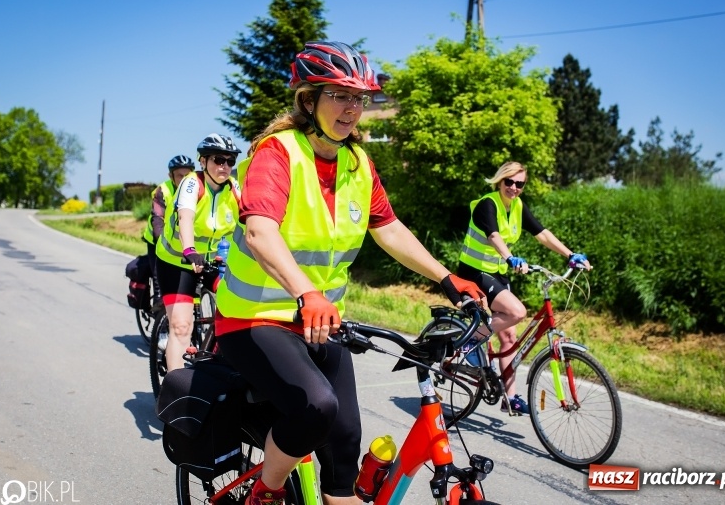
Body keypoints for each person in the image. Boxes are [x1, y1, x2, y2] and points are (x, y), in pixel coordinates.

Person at [214, 41, 486, 505]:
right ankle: (265, 490)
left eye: (359, 98)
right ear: (309, 100)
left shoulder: (358, 164)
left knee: (345, 441)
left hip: (320, 322)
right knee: (315, 407)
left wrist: (448, 279)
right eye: (340, 95)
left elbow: (389, 227)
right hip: (253, 318)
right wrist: (306, 292)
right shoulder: (277, 152)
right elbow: (260, 232)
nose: (352, 108)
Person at [457, 161, 591, 415]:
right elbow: (494, 236)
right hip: (474, 272)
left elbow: (542, 233)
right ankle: (470, 341)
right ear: (500, 181)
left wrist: (570, 255)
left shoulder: (517, 206)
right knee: (517, 312)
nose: (514, 188)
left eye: (520, 184)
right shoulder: (488, 203)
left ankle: (510, 398)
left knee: (509, 336)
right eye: (509, 182)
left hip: (496, 273)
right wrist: (510, 258)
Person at [155, 135, 240, 372]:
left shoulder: (233, 188)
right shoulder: (192, 183)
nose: (224, 166)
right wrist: (190, 250)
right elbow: (186, 218)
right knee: (182, 326)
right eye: (218, 159)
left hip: (212, 261)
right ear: (203, 161)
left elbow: (248, 221)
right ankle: (175, 392)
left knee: (235, 309)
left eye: (230, 161)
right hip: (176, 261)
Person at [142, 154, 195, 310]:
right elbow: (158, 219)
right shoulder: (163, 190)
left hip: (183, 241)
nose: (184, 179)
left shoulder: (197, 188)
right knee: (160, 280)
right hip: (158, 241)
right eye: (180, 175)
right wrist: (164, 243)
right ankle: (160, 315)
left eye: (188, 175)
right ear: (171, 176)